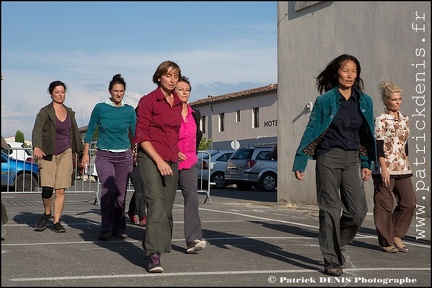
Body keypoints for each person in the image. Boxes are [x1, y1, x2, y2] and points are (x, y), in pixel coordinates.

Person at [292, 54, 375, 276]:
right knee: (330, 208)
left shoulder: (365, 101)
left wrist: (367, 162)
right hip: (328, 157)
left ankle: (336, 243)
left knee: (358, 211)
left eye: (354, 71)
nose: (350, 75)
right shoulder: (325, 100)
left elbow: (367, 134)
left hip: (352, 159)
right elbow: (311, 130)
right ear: (337, 72)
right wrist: (300, 161)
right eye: (345, 70)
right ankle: (331, 259)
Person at [134, 60, 182, 273]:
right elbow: (141, 135)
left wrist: (175, 150)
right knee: (155, 203)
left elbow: (173, 131)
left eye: (176, 76)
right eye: (168, 75)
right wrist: (159, 160)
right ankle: (154, 254)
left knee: (167, 208)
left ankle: (156, 245)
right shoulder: (148, 101)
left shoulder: (178, 101)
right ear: (159, 77)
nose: (172, 80)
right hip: (150, 158)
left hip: (171, 158)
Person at [81, 74, 136, 241]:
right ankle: (106, 228)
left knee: (120, 194)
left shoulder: (129, 110)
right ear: (110, 91)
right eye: (115, 91)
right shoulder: (100, 108)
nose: (118, 94)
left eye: (121, 91)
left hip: (124, 156)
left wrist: (137, 151)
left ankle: (119, 227)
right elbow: (90, 131)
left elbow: (135, 134)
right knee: (108, 190)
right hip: (104, 155)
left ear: (124, 92)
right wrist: (85, 153)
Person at [32, 80, 84, 233]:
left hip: (65, 152)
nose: (60, 95)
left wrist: (80, 153)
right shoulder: (45, 112)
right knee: (47, 189)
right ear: (51, 94)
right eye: (57, 92)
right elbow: (37, 130)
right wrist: (36, 145)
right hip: (48, 153)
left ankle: (56, 221)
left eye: (62, 92)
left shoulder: (69, 112)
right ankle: (47, 213)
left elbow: (74, 132)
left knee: (60, 189)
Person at [372, 81, 416, 253]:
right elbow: (379, 145)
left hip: (403, 167)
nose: (398, 102)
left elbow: (405, 143)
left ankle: (396, 234)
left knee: (409, 202)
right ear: (385, 100)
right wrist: (383, 168)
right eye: (394, 99)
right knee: (384, 204)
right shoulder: (381, 119)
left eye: (400, 99)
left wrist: (407, 160)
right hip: (385, 167)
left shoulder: (405, 118)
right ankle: (386, 242)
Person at [175, 76, 207, 253]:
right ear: (173, 91)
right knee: (165, 203)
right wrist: (173, 150)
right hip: (169, 162)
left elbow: (198, 135)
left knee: (192, 199)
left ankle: (193, 239)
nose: (185, 92)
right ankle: (162, 240)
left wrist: (191, 153)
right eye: (180, 89)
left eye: (187, 89)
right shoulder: (169, 112)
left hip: (190, 162)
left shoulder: (196, 113)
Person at [127, 142, 147, 227]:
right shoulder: (129, 130)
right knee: (139, 188)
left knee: (141, 189)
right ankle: (142, 216)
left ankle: (131, 211)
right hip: (132, 163)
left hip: (146, 162)